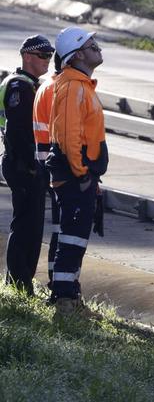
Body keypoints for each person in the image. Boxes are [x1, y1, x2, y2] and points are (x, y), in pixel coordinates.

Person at [46, 27, 107, 313]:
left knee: (76, 237)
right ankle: (64, 301)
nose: (98, 48)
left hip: (81, 175)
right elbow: (70, 136)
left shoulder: (80, 84)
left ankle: (70, 295)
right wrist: (82, 174)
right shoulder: (72, 86)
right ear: (78, 54)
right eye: (91, 44)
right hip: (74, 176)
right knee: (71, 238)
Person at [1, 35, 53, 294]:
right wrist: (31, 166)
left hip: (25, 164)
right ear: (28, 57)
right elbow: (19, 131)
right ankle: (18, 283)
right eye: (43, 56)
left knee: (32, 225)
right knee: (25, 226)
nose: (48, 61)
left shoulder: (29, 85)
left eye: (50, 56)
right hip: (22, 164)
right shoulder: (20, 87)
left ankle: (22, 280)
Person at [31, 52, 62, 286]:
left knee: (59, 230)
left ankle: (56, 282)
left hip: (47, 164)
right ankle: (59, 287)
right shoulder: (59, 89)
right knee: (65, 233)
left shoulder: (47, 86)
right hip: (58, 169)